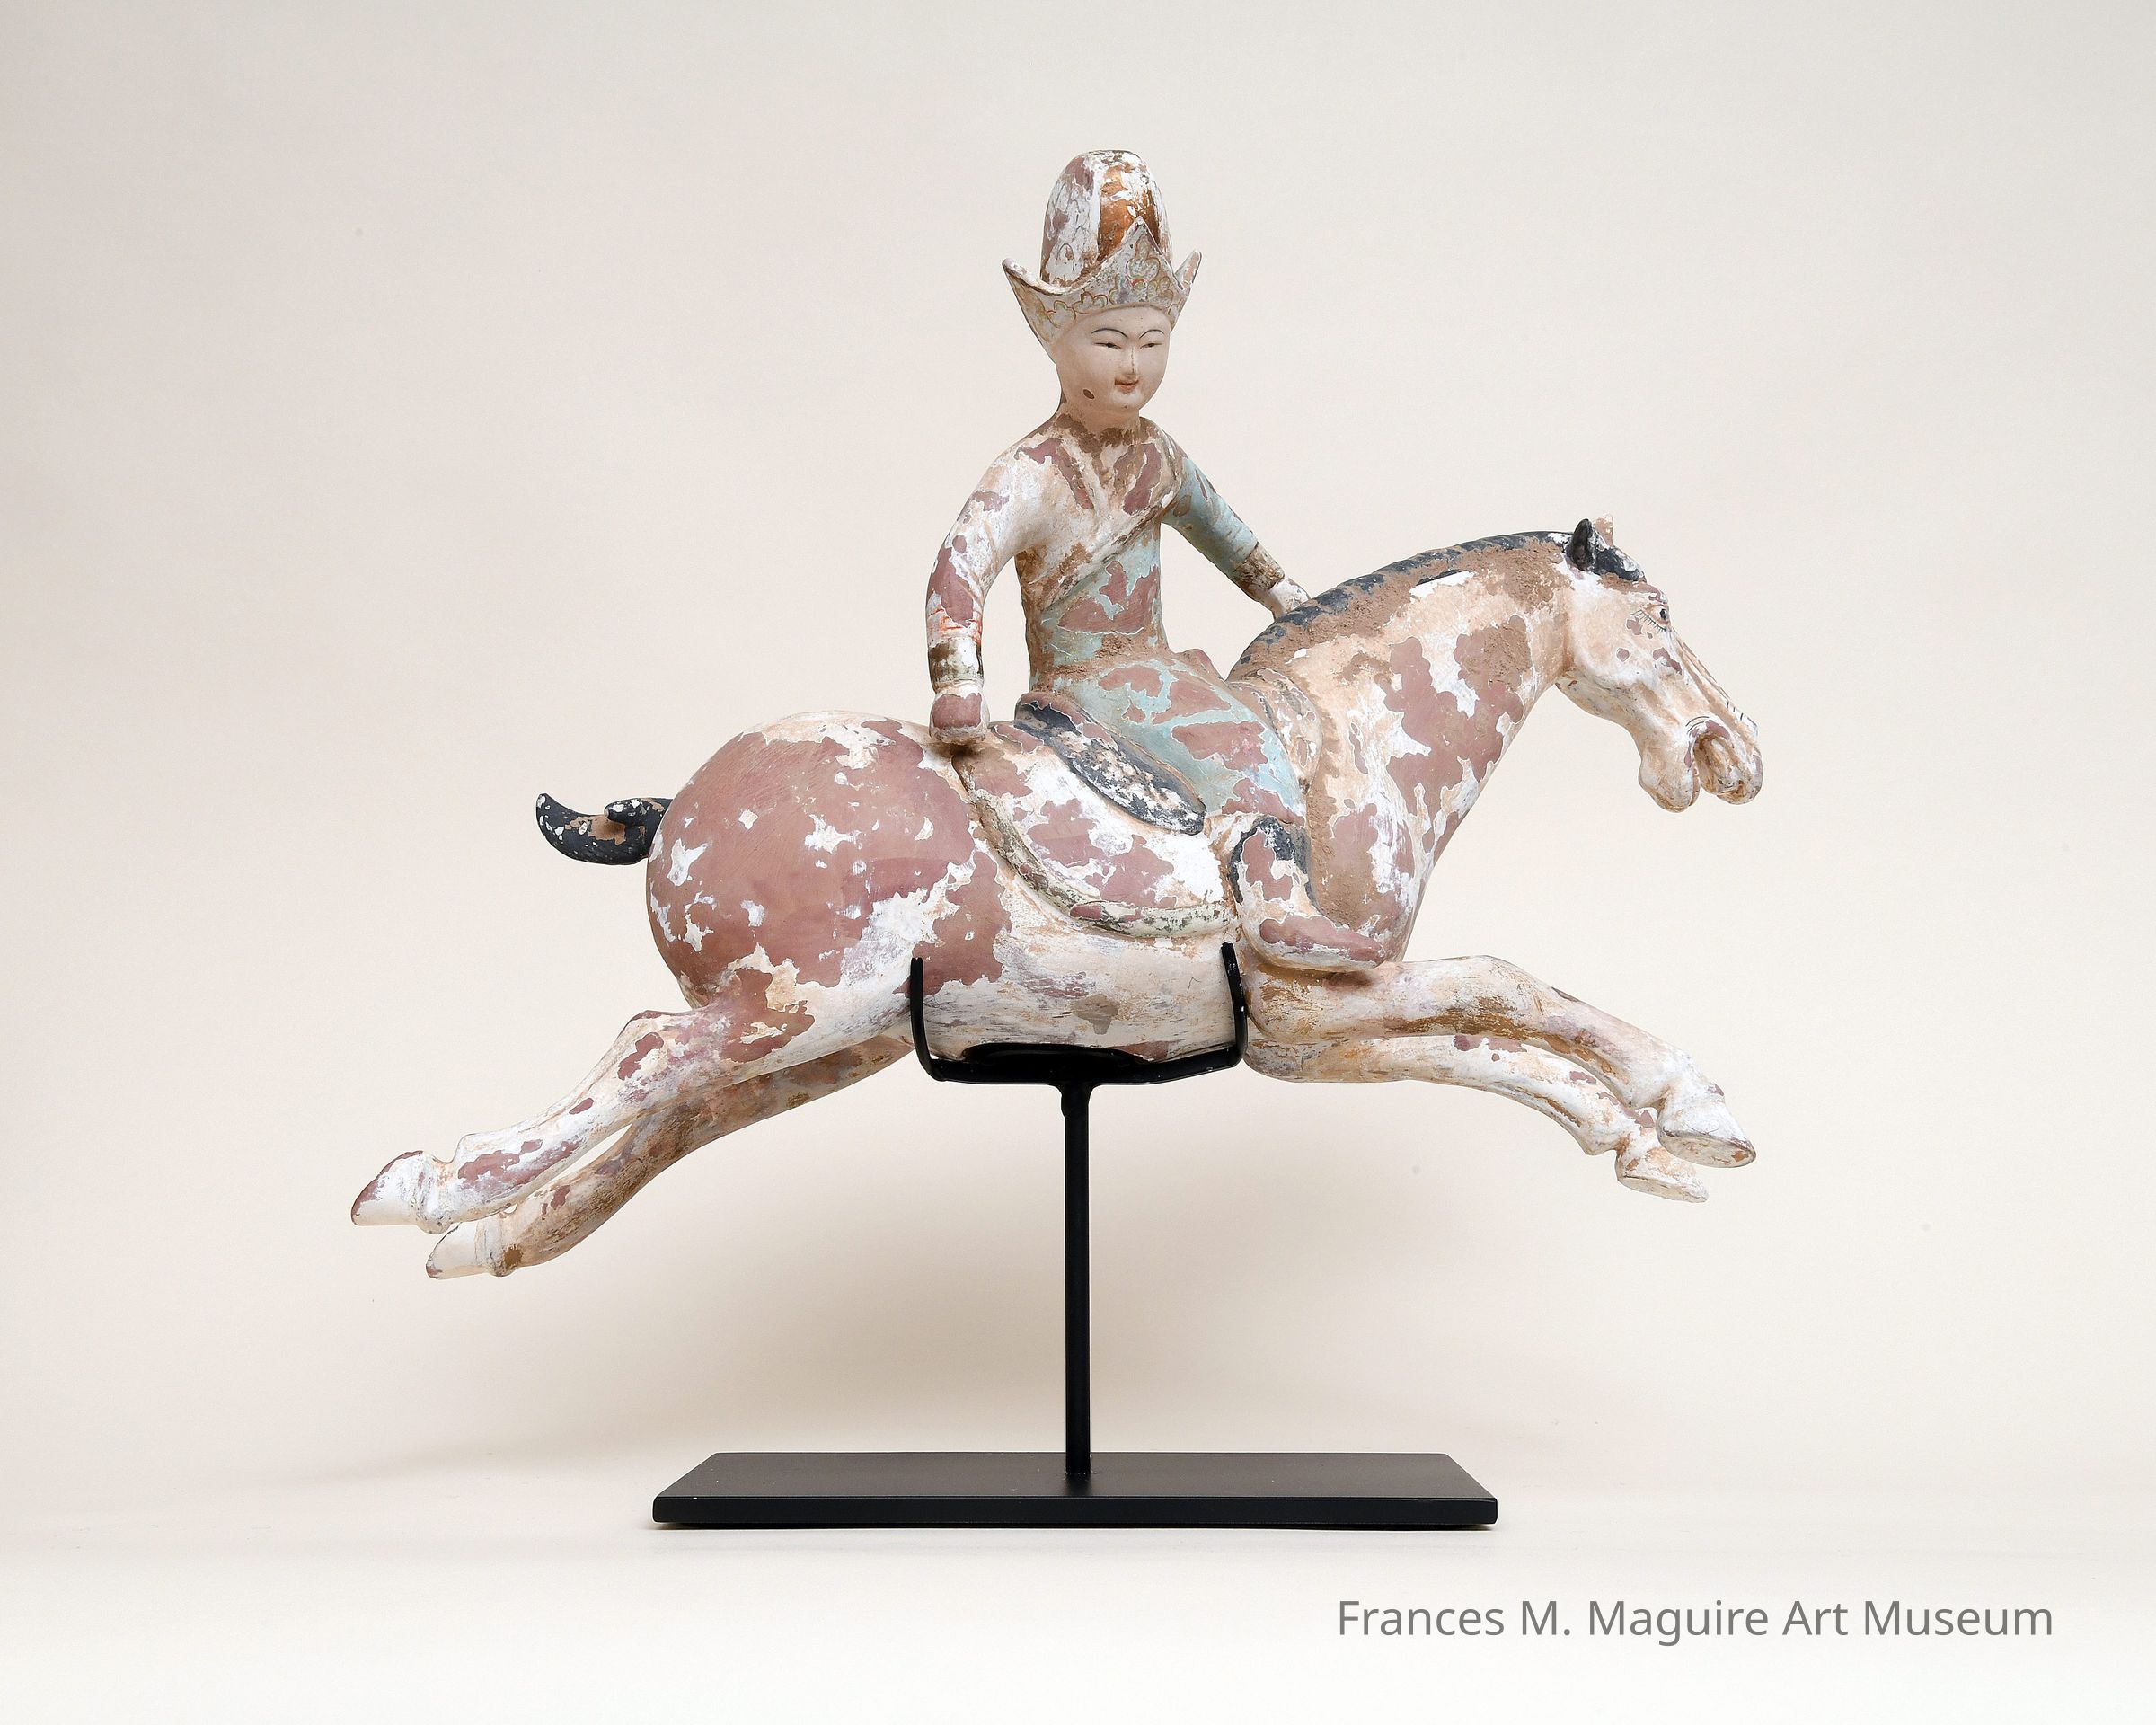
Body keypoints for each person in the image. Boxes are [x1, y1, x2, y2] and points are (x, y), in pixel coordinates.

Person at [924, 150, 1382, 971]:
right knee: (1243, 745)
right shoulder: (1032, 472)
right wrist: (958, 682)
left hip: (1161, 668)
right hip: (1090, 684)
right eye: (1108, 341)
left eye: (1151, 341)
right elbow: (960, 567)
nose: (1131, 365)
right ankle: (1276, 907)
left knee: (1295, 720)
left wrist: (1291, 600)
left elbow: (1226, 533)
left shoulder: (1159, 457)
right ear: (1056, 340)